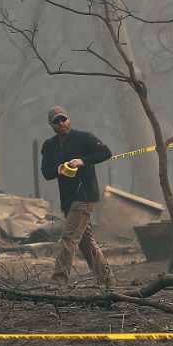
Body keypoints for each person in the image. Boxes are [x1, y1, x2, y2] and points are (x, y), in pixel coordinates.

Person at [40, 106, 114, 287]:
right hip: (67, 199)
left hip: (85, 195)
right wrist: (59, 169)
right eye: (56, 121)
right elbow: (46, 172)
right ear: (51, 125)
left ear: (69, 119)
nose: (61, 123)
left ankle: (58, 280)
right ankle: (106, 279)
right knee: (86, 242)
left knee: (69, 237)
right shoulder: (49, 146)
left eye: (63, 119)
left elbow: (105, 153)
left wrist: (83, 161)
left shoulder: (84, 138)